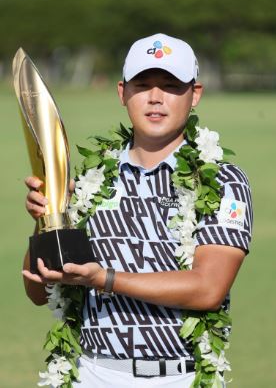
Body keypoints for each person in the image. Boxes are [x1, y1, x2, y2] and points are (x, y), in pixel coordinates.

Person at [22, 33, 253, 387]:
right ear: (122, 93)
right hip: (91, 374)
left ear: (195, 94)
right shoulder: (88, 182)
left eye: (171, 86)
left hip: (178, 377)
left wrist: (103, 279)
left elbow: (208, 288)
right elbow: (39, 293)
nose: (156, 98)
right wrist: (47, 219)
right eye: (142, 84)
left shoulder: (223, 181)